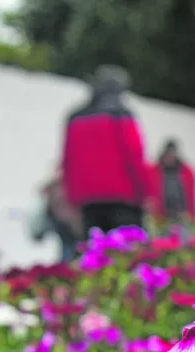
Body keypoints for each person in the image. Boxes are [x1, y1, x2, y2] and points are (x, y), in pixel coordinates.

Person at [61, 66, 148, 233]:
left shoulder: (75, 117)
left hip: (88, 200)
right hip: (124, 199)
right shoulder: (122, 116)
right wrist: (145, 193)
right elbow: (134, 157)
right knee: (126, 253)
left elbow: (68, 161)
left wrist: (73, 197)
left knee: (96, 252)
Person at [32, 168, 83, 262]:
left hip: (66, 221)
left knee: (69, 248)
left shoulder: (58, 184)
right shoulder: (65, 183)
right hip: (66, 222)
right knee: (69, 248)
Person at [146, 140, 195, 226]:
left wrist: (192, 218)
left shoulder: (187, 173)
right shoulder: (153, 172)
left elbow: (192, 199)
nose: (170, 158)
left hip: (182, 217)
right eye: (168, 155)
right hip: (161, 217)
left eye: (172, 155)